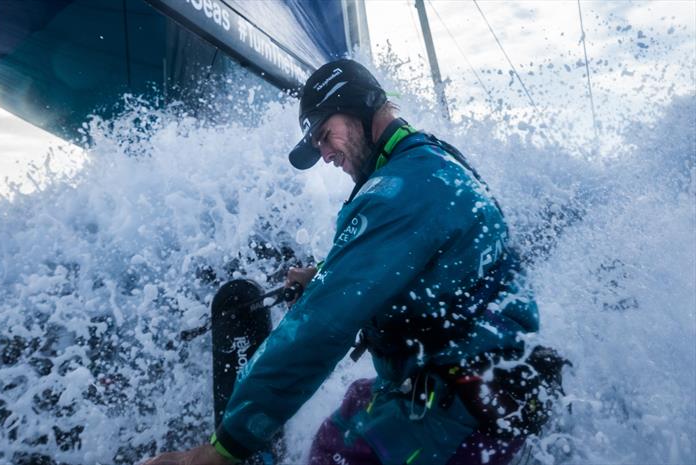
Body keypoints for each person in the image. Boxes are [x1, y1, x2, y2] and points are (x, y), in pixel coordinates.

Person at [143, 59, 545, 465]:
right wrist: (327, 273)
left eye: (324, 135)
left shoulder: (401, 191)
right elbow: (423, 259)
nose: (324, 154)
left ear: (356, 106)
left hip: (461, 416)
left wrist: (223, 448)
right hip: (478, 386)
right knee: (343, 422)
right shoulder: (432, 161)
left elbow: (320, 329)